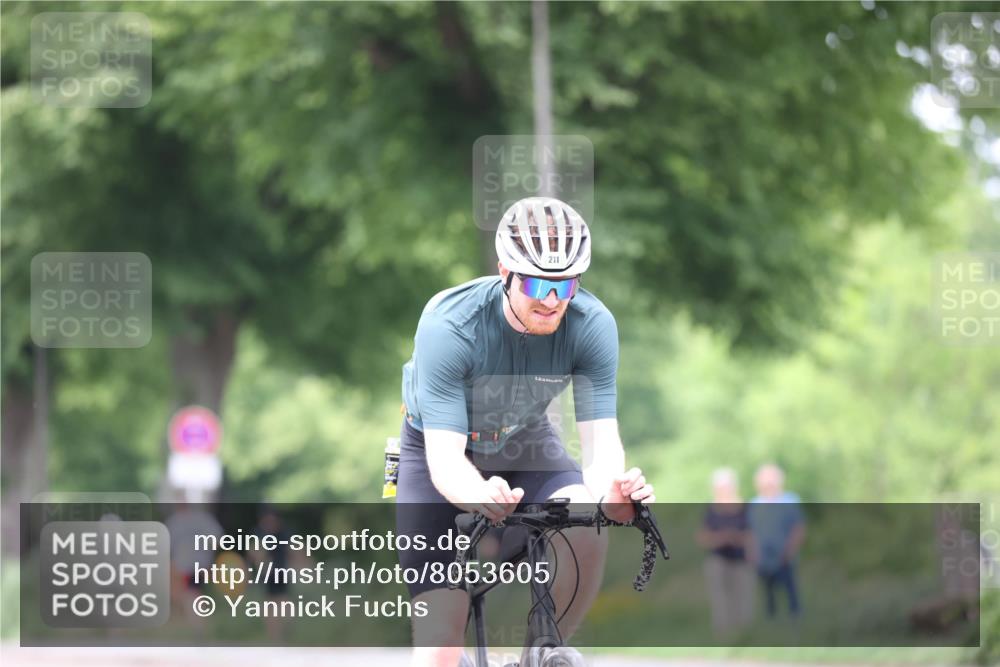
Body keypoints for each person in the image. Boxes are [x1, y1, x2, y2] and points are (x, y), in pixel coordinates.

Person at [395, 197, 655, 667]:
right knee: (437, 652)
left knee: (588, 530)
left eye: (565, 284)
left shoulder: (592, 325)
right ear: (504, 272)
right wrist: (478, 491)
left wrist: (610, 496)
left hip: (522, 438)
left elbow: (600, 445)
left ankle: (543, 652)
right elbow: (447, 462)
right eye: (536, 283)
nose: (552, 300)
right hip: (436, 449)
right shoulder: (449, 325)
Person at [697, 467, 754, 639]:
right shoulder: (711, 509)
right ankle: (723, 634)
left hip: (742, 558)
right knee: (720, 598)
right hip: (718, 558)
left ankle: (745, 635)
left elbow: (753, 534)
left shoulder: (745, 507)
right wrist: (721, 538)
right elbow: (702, 536)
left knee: (743, 597)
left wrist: (739, 539)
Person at [747, 463, 805, 618]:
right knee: (768, 595)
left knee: (790, 592)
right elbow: (751, 532)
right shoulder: (754, 504)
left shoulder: (790, 500)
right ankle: (771, 627)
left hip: (786, 556)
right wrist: (752, 553)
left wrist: (790, 550)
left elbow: (798, 528)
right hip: (763, 558)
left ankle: (796, 623)